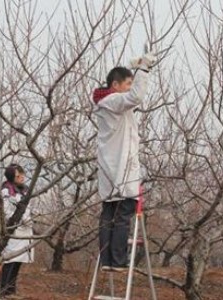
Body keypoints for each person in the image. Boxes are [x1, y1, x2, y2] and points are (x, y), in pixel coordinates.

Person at [92, 49, 156, 272]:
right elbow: (135, 97)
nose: (130, 87)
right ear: (116, 85)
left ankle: (107, 259)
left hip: (111, 173)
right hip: (121, 171)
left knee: (109, 216)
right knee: (121, 216)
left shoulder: (107, 104)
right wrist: (144, 69)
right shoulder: (114, 101)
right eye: (128, 83)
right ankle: (117, 260)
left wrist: (137, 69)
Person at [0, 164, 34, 299]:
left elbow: (29, 208)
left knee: (18, 260)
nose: (21, 177)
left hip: (25, 230)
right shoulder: (7, 190)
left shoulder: (25, 189)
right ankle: (3, 291)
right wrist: (21, 219)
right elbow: (7, 211)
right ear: (12, 177)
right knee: (9, 260)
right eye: (18, 176)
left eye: (22, 174)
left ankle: (11, 290)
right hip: (14, 229)